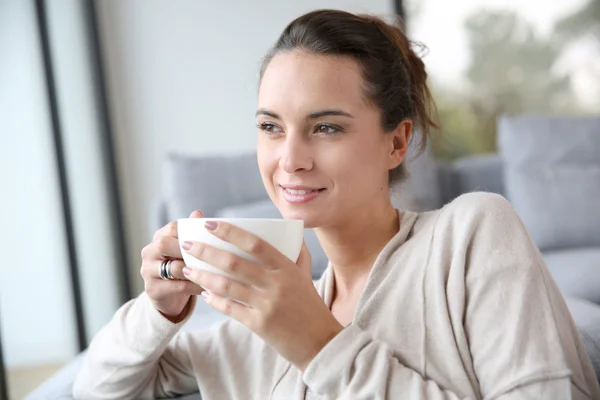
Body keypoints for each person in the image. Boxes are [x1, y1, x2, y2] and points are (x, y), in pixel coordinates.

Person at [73, 9, 600, 400]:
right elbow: (97, 387)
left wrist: (318, 343)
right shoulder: (258, 329)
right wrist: (160, 308)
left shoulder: (470, 234)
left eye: (326, 127)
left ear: (396, 143)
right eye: (270, 127)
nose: (290, 159)